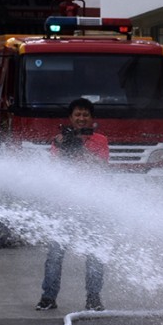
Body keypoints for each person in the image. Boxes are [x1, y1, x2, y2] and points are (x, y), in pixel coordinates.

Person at [35, 98, 109, 312]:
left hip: (93, 205)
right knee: (55, 254)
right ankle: (48, 297)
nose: (81, 118)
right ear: (70, 118)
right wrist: (63, 145)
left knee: (95, 254)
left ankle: (93, 298)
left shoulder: (101, 141)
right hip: (63, 205)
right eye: (77, 114)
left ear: (91, 118)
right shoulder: (59, 140)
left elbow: (101, 167)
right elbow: (55, 168)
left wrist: (81, 150)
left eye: (85, 115)